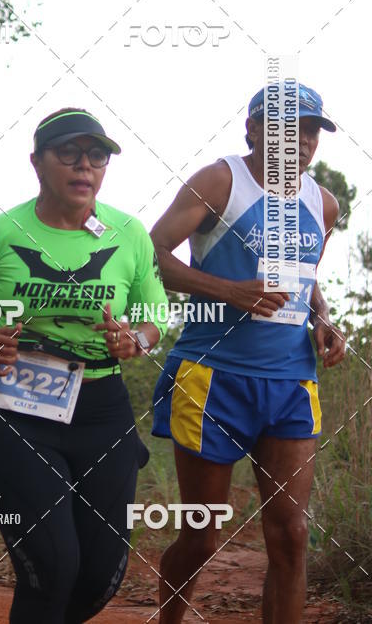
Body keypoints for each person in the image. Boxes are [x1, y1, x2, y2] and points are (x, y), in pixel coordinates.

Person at [0, 107, 168, 623]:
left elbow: (156, 316)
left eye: (97, 155)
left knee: (102, 573)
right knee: (53, 564)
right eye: (69, 153)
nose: (84, 165)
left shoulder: (129, 234)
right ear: (37, 163)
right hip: (15, 405)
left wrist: (136, 340)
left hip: (101, 406)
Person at [151, 84, 346, 624]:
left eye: (312, 131)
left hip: (289, 381)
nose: (303, 140)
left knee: (291, 535)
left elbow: (308, 280)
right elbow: (151, 254)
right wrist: (229, 290)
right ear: (255, 129)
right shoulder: (221, 181)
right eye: (290, 127)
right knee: (202, 533)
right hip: (212, 376)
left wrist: (324, 320)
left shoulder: (323, 203)